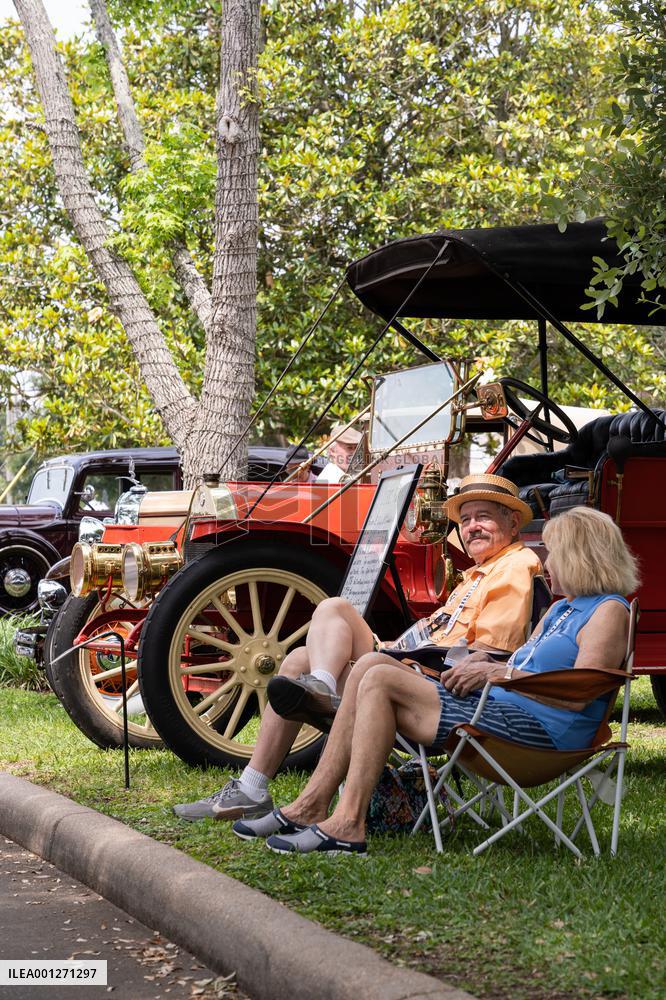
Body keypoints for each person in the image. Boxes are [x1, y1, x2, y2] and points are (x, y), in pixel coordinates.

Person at [234, 507, 638, 855]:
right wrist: (485, 661)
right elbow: (522, 660)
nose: (546, 564)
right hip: (500, 710)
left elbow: (578, 692)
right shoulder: (561, 610)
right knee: (369, 665)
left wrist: (500, 672)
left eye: (553, 554)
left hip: (540, 735)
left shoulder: (608, 611)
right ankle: (314, 807)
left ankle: (343, 821)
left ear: (580, 556)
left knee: (377, 679)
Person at [172, 473, 542, 823]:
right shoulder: (479, 572)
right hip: (417, 659)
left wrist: (410, 656)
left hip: (441, 682)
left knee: (332, 611)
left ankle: (319, 692)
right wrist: (400, 646)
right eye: (466, 519)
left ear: (512, 524)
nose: (472, 526)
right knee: (301, 655)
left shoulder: (515, 566)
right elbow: (443, 630)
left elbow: (488, 655)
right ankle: (253, 786)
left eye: (484, 517)